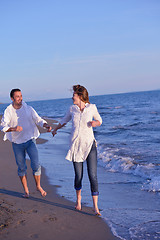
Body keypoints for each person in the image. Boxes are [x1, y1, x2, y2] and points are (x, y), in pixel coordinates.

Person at [52, 85, 102, 215]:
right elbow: (63, 121)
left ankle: (95, 207)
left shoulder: (92, 108)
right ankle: (78, 200)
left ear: (80, 96)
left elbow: (99, 120)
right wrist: (55, 129)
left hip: (90, 145)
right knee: (79, 175)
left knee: (93, 175)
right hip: (76, 146)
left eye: (74, 95)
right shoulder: (72, 109)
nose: (72, 97)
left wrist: (94, 123)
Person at [0, 88, 52, 198]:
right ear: (12, 98)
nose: (20, 98)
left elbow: (38, 120)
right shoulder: (8, 111)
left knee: (36, 164)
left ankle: (38, 186)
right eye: (17, 96)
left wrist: (46, 125)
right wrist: (13, 129)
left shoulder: (28, 109)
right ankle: (26, 190)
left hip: (30, 140)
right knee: (22, 167)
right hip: (17, 143)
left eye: (21, 96)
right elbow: (3, 126)